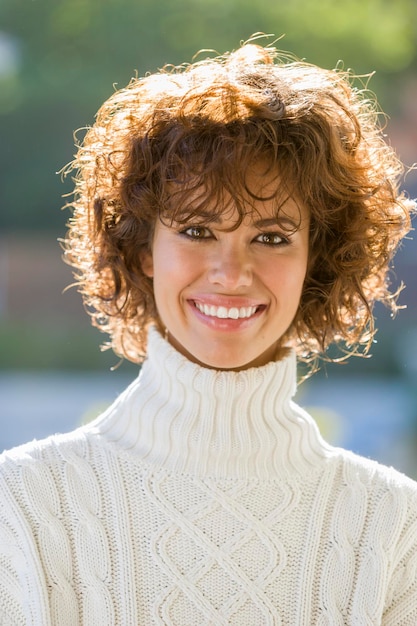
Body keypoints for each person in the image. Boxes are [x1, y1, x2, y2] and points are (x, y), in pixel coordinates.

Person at [1, 39, 416, 625]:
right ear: (143, 249)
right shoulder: (25, 504)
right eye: (197, 230)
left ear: (315, 261)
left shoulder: (392, 525)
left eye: (271, 238)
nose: (231, 273)